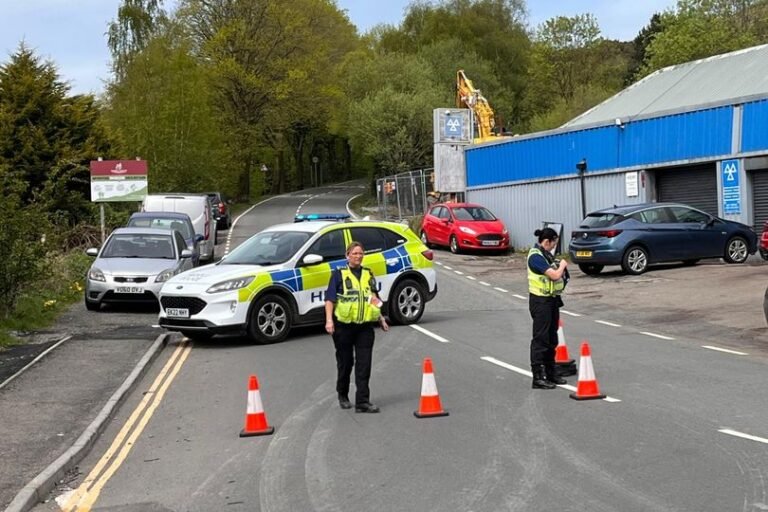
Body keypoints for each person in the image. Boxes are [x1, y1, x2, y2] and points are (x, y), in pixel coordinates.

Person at [325, 242, 389, 412]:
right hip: (343, 326)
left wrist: (381, 318)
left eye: (360, 253)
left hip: (365, 327)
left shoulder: (368, 274)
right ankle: (343, 394)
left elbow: (373, 298)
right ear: (347, 255)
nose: (358, 256)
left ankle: (362, 402)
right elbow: (330, 300)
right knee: (346, 363)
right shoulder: (338, 274)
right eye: (354, 253)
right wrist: (329, 321)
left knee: (364, 364)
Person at [527, 227, 569, 389]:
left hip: (551, 300)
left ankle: (551, 372)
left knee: (552, 338)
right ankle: (538, 377)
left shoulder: (546, 255)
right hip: (540, 302)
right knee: (541, 339)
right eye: (553, 244)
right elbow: (554, 275)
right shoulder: (535, 257)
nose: (554, 247)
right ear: (547, 241)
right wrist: (563, 265)